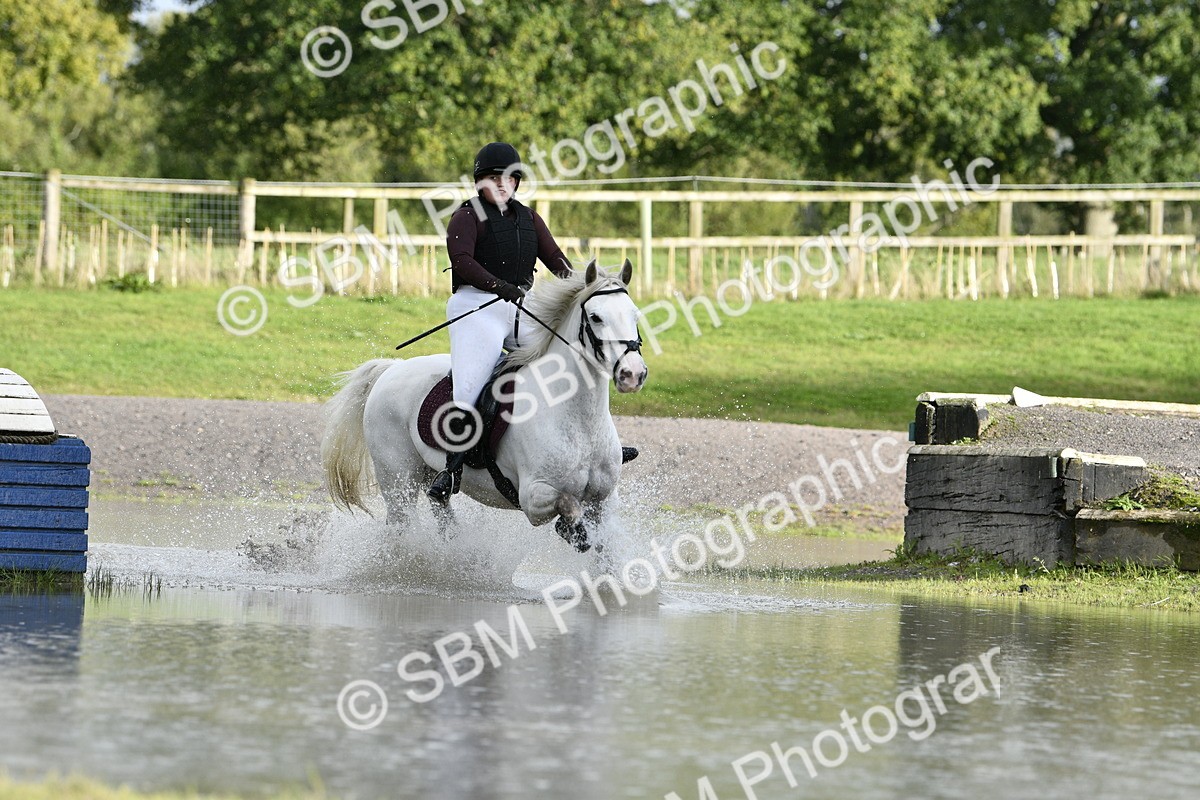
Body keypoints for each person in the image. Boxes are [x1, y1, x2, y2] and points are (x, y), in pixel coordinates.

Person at [427, 142, 575, 505]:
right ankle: (451, 468)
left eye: (509, 178)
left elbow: (555, 258)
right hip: (477, 307)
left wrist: (583, 286)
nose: (502, 184)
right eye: (494, 178)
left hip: (521, 305)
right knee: (471, 383)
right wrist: (498, 285)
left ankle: (589, 441)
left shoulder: (530, 219)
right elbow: (462, 261)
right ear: (480, 182)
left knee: (568, 357)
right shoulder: (466, 216)